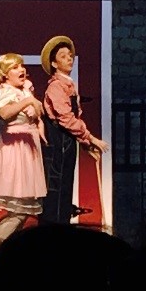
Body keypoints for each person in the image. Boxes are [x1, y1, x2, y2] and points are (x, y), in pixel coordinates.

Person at [0, 52, 47, 261]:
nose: (21, 70)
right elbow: (4, 114)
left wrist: (39, 127)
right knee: (19, 210)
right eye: (15, 67)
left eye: (21, 66)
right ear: (5, 74)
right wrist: (28, 101)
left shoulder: (23, 90)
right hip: (14, 150)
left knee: (20, 212)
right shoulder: (4, 92)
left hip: (28, 148)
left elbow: (31, 117)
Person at [39, 35, 109, 224]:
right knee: (56, 191)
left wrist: (86, 146)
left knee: (65, 190)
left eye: (70, 56)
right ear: (54, 63)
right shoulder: (55, 87)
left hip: (67, 142)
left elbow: (74, 120)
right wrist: (92, 139)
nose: (69, 59)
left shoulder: (69, 85)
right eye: (63, 56)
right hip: (57, 143)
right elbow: (66, 120)